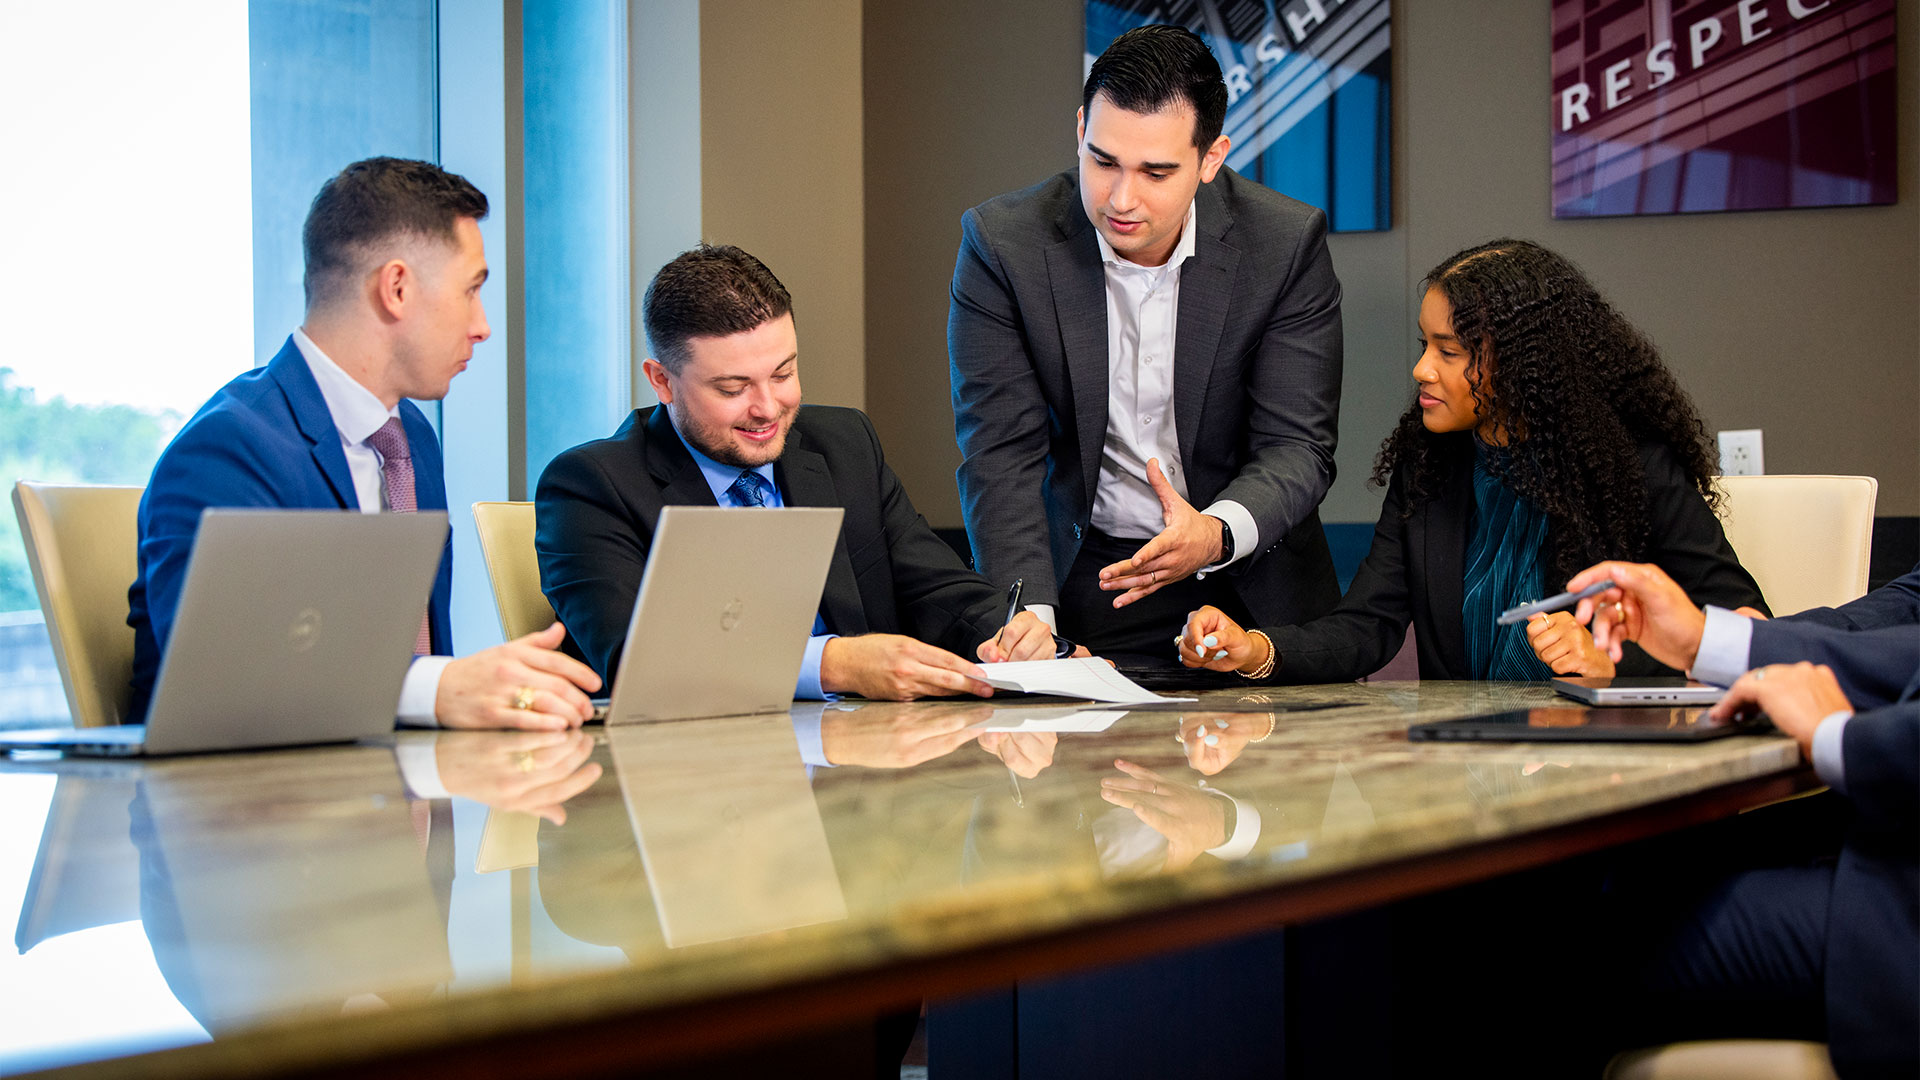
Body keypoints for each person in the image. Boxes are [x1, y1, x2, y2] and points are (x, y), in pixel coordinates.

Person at [126, 157, 602, 731]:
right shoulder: (227, 449)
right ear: (396, 288)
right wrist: (441, 685)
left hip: (390, 793)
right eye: (471, 291)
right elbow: (229, 680)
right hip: (244, 809)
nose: (482, 325)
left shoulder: (412, 441)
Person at [1174, 239, 1767, 682]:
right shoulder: (1429, 464)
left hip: (1600, 775)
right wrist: (1256, 648)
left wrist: (1613, 662)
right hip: (1460, 768)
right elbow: (1366, 626)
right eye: (1424, 344)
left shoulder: (1630, 466)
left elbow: (1748, 625)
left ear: (1525, 364)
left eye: (1449, 352)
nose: (1422, 370)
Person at [948, 24, 1344, 663]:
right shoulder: (1003, 246)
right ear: (1081, 130)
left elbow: (1297, 445)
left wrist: (1214, 533)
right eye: (1102, 161)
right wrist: (1031, 621)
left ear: (1211, 159)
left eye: (1156, 172)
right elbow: (1000, 452)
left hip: (1249, 581)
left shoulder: (1283, 244)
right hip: (1085, 581)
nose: (1121, 198)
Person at [536, 244, 1064, 703]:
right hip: (688, 784)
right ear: (662, 380)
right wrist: (833, 664)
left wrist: (1019, 636)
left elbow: (937, 592)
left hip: (863, 776)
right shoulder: (590, 486)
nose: (768, 408)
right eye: (731, 388)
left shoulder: (844, 445)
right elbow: (638, 661)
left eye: (783, 373)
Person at [1564, 561, 1916, 1078]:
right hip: (1881, 816)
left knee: (1569, 939)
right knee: (1617, 871)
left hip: (1900, 909)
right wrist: (1716, 642)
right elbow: (1910, 609)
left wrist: (1839, 736)